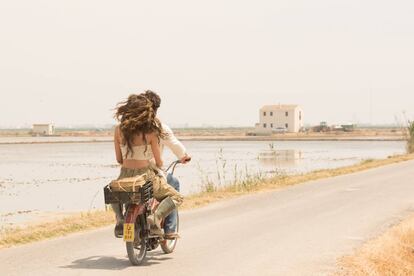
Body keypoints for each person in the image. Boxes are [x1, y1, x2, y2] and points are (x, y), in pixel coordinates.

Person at [112, 94, 184, 238]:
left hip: (125, 175)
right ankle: (156, 217)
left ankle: (120, 218)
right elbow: (159, 162)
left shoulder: (118, 130)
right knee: (177, 197)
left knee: (115, 193)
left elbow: (119, 159)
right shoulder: (151, 132)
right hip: (146, 177)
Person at [141, 90, 191, 237]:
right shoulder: (160, 127)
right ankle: (169, 229)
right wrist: (184, 156)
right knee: (173, 182)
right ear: (156, 108)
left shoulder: (131, 127)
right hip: (151, 173)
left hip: (131, 172)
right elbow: (174, 144)